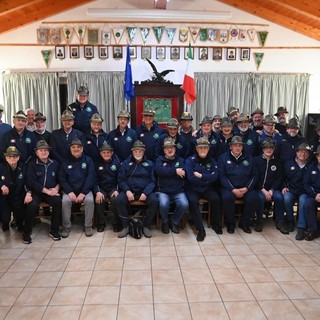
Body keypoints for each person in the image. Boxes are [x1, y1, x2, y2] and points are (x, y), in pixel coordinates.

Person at [116, 140, 158, 238]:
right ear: (132, 152)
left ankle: (146, 226)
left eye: (140, 151)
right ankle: (126, 226)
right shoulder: (125, 164)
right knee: (119, 200)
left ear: (144, 152)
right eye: (136, 151)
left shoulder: (150, 164)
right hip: (130, 191)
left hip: (144, 192)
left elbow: (153, 181)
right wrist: (127, 191)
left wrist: (146, 193)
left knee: (154, 201)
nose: (138, 153)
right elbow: (121, 180)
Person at [218, 135, 259, 234]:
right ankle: (231, 223)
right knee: (227, 198)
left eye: (240, 146)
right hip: (228, 188)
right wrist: (232, 189)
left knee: (254, 198)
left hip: (245, 187)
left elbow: (255, 175)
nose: (237, 148)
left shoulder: (249, 158)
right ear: (230, 146)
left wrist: (247, 188)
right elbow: (222, 176)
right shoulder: (223, 158)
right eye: (235, 145)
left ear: (243, 147)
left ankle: (244, 223)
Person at [185, 137, 222, 241]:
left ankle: (215, 224)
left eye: (205, 148)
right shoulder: (190, 161)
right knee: (193, 201)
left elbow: (215, 177)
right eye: (200, 148)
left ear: (209, 149)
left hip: (207, 188)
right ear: (196, 149)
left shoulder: (212, 161)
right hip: (192, 188)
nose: (203, 150)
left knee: (216, 199)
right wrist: (207, 178)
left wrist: (201, 176)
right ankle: (200, 229)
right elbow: (191, 178)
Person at [59, 138, 96, 238]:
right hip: (69, 190)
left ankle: (88, 226)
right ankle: (66, 227)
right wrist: (69, 192)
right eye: (73, 147)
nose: (76, 149)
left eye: (78, 147)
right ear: (70, 149)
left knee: (90, 200)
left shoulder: (88, 160)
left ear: (82, 148)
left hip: (85, 190)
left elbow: (90, 178)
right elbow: (62, 179)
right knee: (65, 201)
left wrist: (83, 193)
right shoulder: (65, 161)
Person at [25, 140, 62, 241]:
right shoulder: (32, 164)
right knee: (31, 205)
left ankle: (54, 230)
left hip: (51, 191)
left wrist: (56, 188)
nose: (43, 152)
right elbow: (31, 181)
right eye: (41, 150)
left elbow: (60, 179)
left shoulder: (55, 163)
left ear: (49, 152)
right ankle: (27, 232)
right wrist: (46, 191)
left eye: (45, 150)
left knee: (58, 202)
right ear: (36, 153)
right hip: (37, 192)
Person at [155, 137, 189, 234]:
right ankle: (165, 222)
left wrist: (167, 173)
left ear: (175, 149)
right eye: (167, 148)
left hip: (178, 190)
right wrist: (175, 171)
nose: (170, 150)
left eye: (172, 148)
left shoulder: (181, 160)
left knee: (184, 204)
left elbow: (183, 174)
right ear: (164, 150)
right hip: (163, 191)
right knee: (163, 204)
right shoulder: (159, 159)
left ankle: (174, 221)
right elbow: (159, 172)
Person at [254, 138, 285, 233]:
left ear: (274, 149)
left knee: (279, 197)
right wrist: (263, 190)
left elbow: (279, 178)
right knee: (260, 198)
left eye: (271, 148)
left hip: (273, 189)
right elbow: (255, 177)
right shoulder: (256, 160)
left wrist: (272, 190)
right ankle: (259, 221)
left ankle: (280, 222)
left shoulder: (278, 162)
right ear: (262, 149)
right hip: (259, 189)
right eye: (266, 148)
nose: (268, 150)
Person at [282, 143, 311, 234]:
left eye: (305, 152)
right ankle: (290, 220)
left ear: (308, 154)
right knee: (287, 198)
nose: (302, 154)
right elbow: (282, 177)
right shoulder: (288, 164)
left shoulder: (311, 166)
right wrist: (283, 187)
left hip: (304, 191)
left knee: (303, 201)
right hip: (291, 189)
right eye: (300, 152)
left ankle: (301, 226)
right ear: (296, 153)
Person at [94, 142, 122, 232]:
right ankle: (101, 223)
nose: (106, 154)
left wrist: (117, 190)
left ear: (112, 153)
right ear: (100, 153)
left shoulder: (117, 163)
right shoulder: (96, 163)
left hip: (113, 187)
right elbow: (93, 179)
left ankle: (116, 223)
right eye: (104, 152)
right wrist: (97, 192)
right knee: (99, 200)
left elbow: (120, 178)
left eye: (108, 152)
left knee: (115, 200)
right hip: (101, 187)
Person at [0, 147, 27, 234]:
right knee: (5, 220)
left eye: (15, 156)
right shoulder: (1, 167)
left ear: (18, 157)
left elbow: (27, 181)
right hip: (5, 197)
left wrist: (28, 193)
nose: (12, 158)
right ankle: (5, 224)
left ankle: (20, 225)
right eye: (9, 156)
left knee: (20, 218)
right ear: (6, 158)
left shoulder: (23, 167)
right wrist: (2, 185)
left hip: (18, 196)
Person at [302, 145, 320, 240]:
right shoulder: (311, 167)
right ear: (317, 156)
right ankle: (314, 230)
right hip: (313, 194)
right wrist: (315, 194)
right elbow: (306, 183)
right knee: (307, 205)